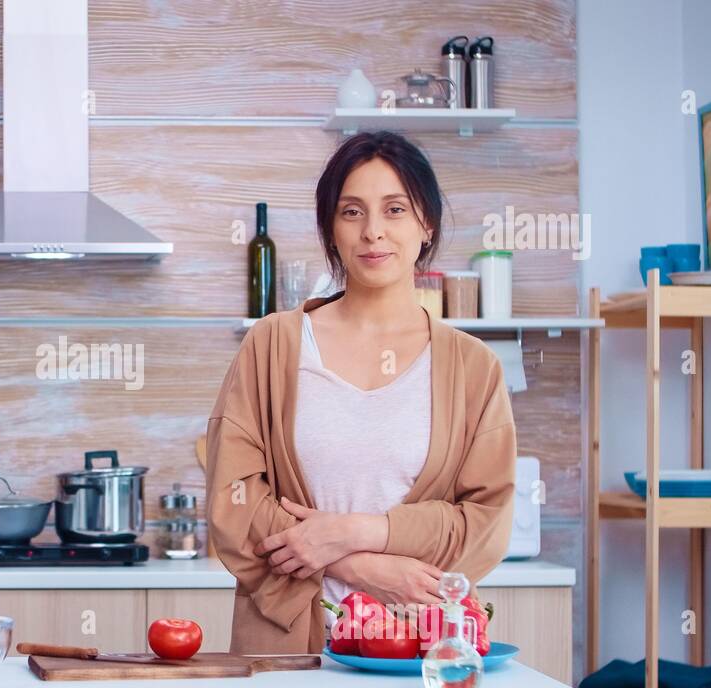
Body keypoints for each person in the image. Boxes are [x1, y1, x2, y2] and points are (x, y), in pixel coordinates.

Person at [205, 130, 516, 654]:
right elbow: (233, 506)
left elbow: (485, 522)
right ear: (331, 228)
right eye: (352, 212)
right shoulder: (271, 346)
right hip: (285, 652)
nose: (374, 232)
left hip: (421, 651)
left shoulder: (474, 367)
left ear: (427, 223)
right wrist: (359, 564)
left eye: (395, 209)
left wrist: (356, 530)